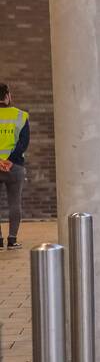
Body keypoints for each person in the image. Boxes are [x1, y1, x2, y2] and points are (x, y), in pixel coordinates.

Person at [0, 84, 29, 249]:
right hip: (15, 166)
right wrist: (10, 159)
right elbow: (23, 142)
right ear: (7, 96)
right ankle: (12, 240)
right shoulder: (20, 115)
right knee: (14, 203)